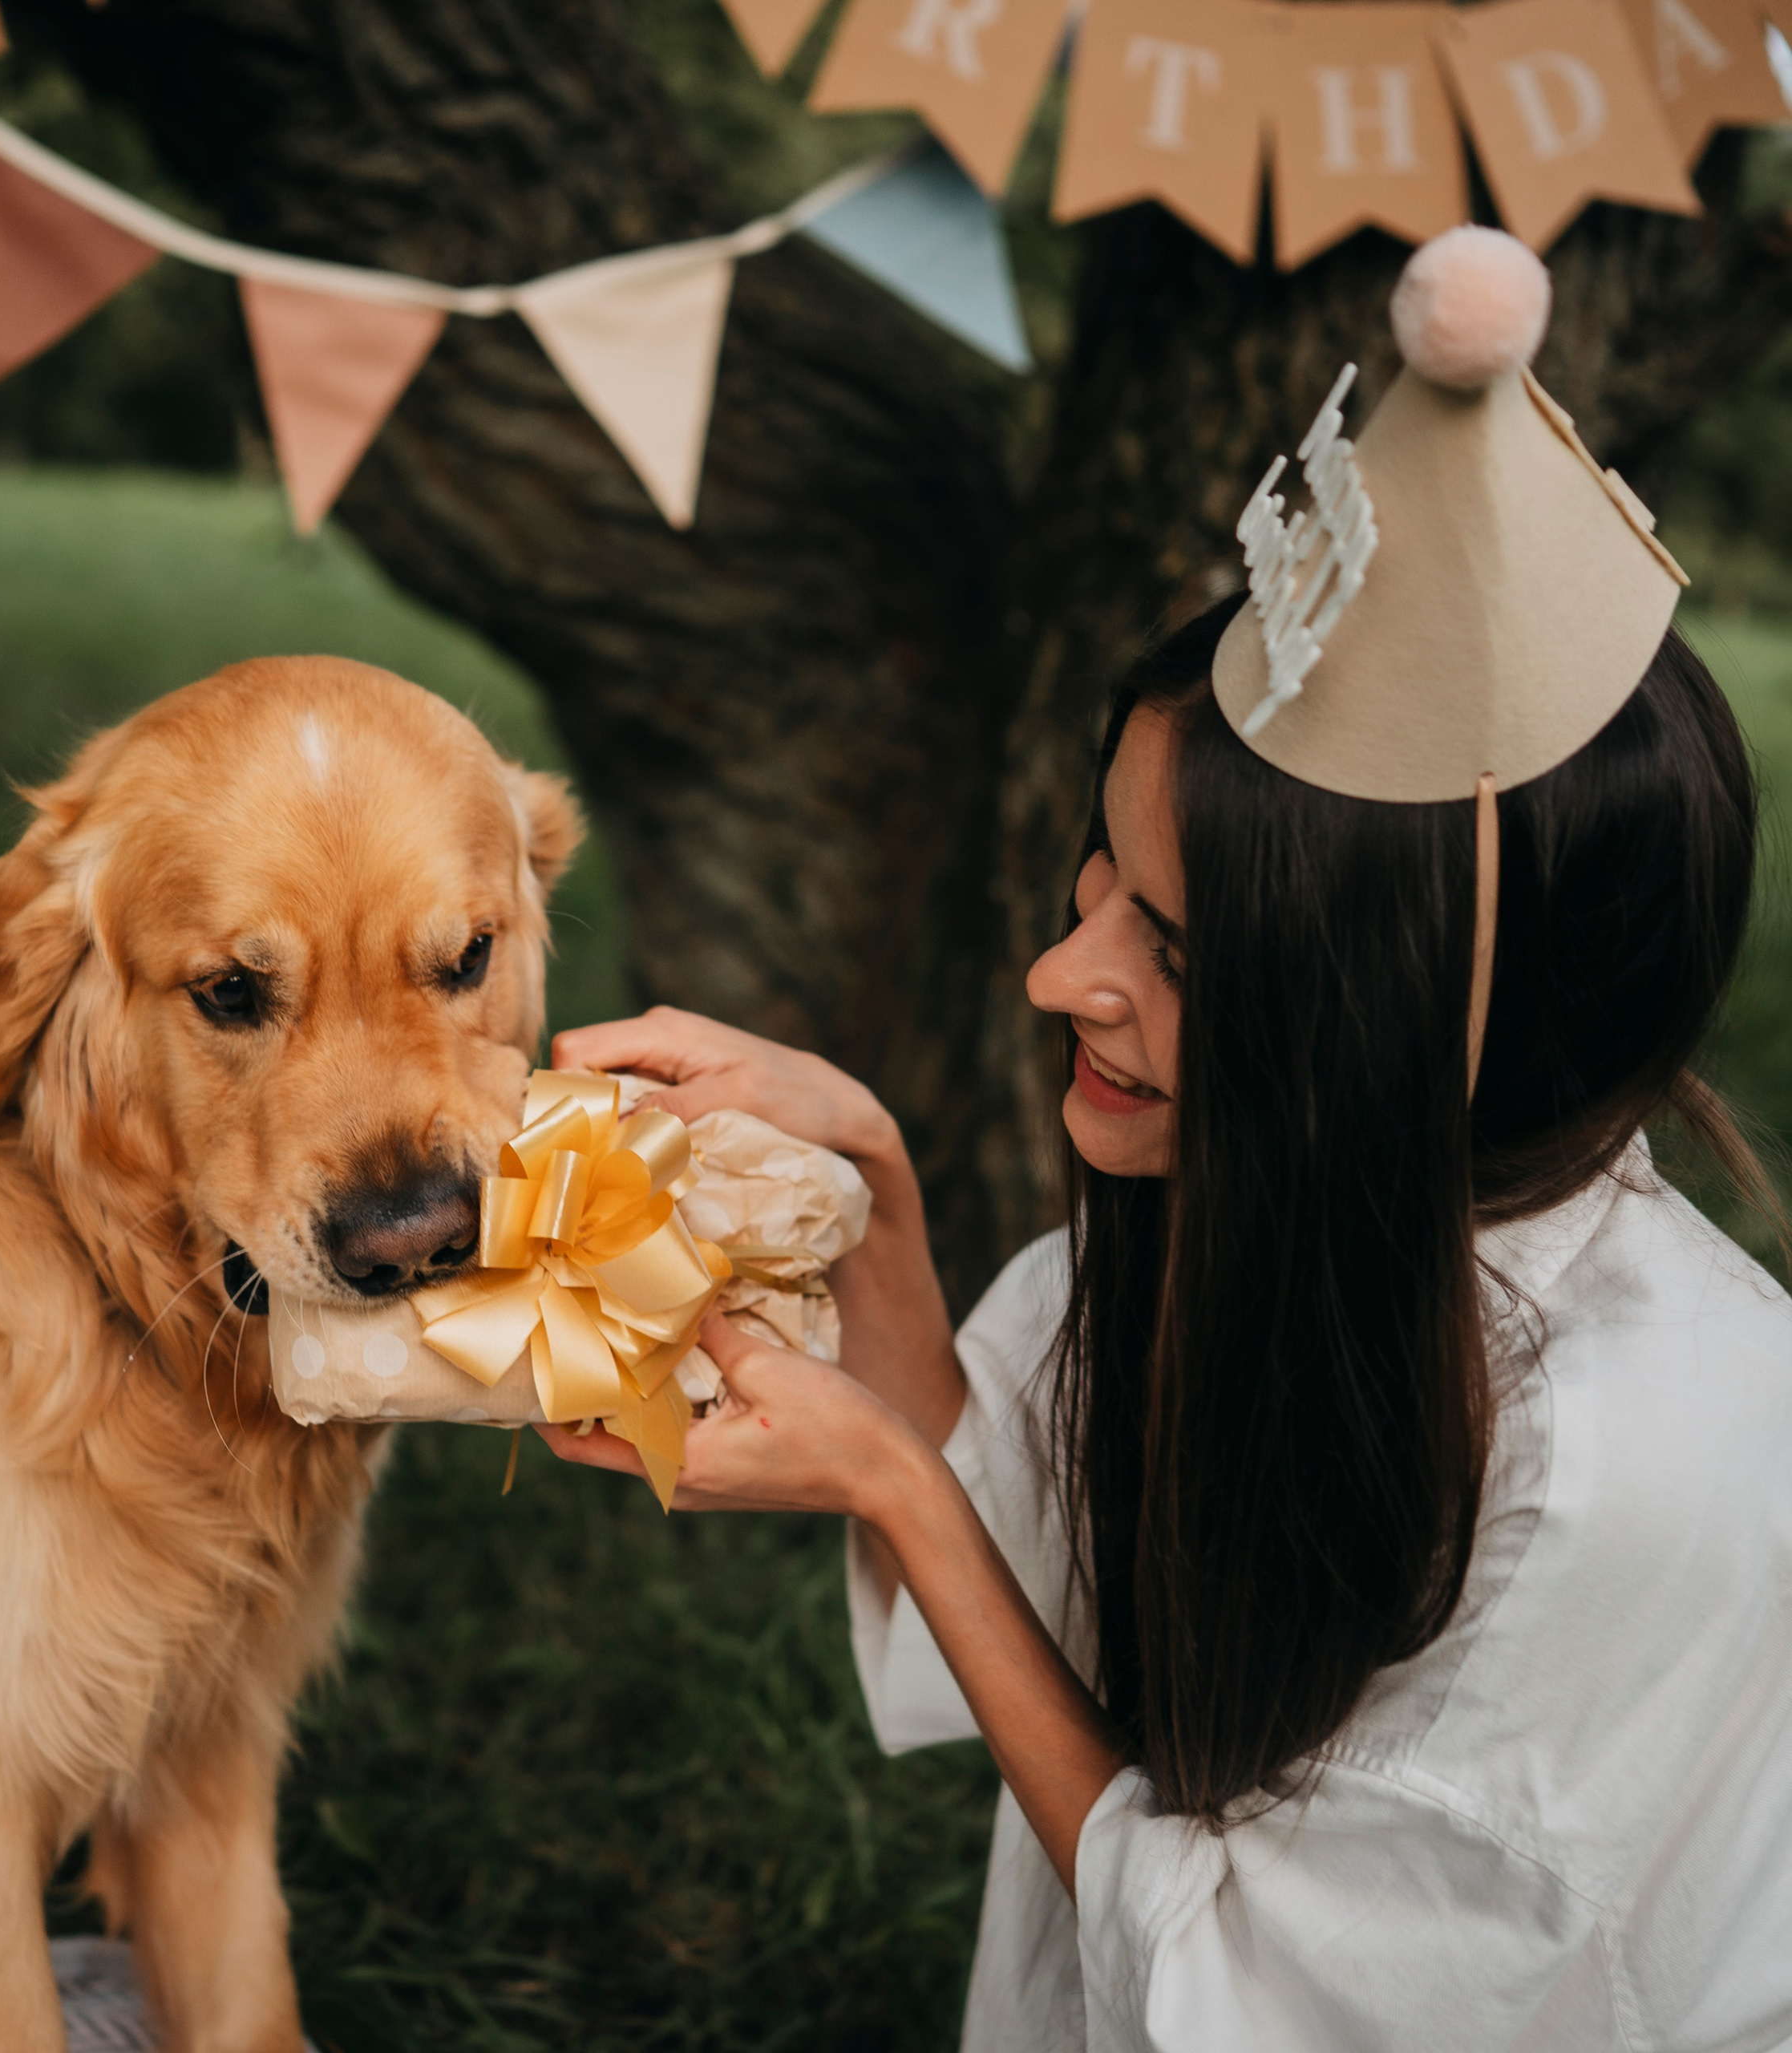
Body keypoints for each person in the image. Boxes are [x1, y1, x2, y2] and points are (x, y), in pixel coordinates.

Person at [542, 229, 1792, 2050]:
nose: (1060, 970)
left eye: (1174, 948)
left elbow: (1271, 1994)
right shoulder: (1252, 1199)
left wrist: (894, 1487)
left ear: (1393, 1028)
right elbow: (1045, 1587)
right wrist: (870, 1200)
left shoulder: (1629, 1473)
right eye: (1097, 874)